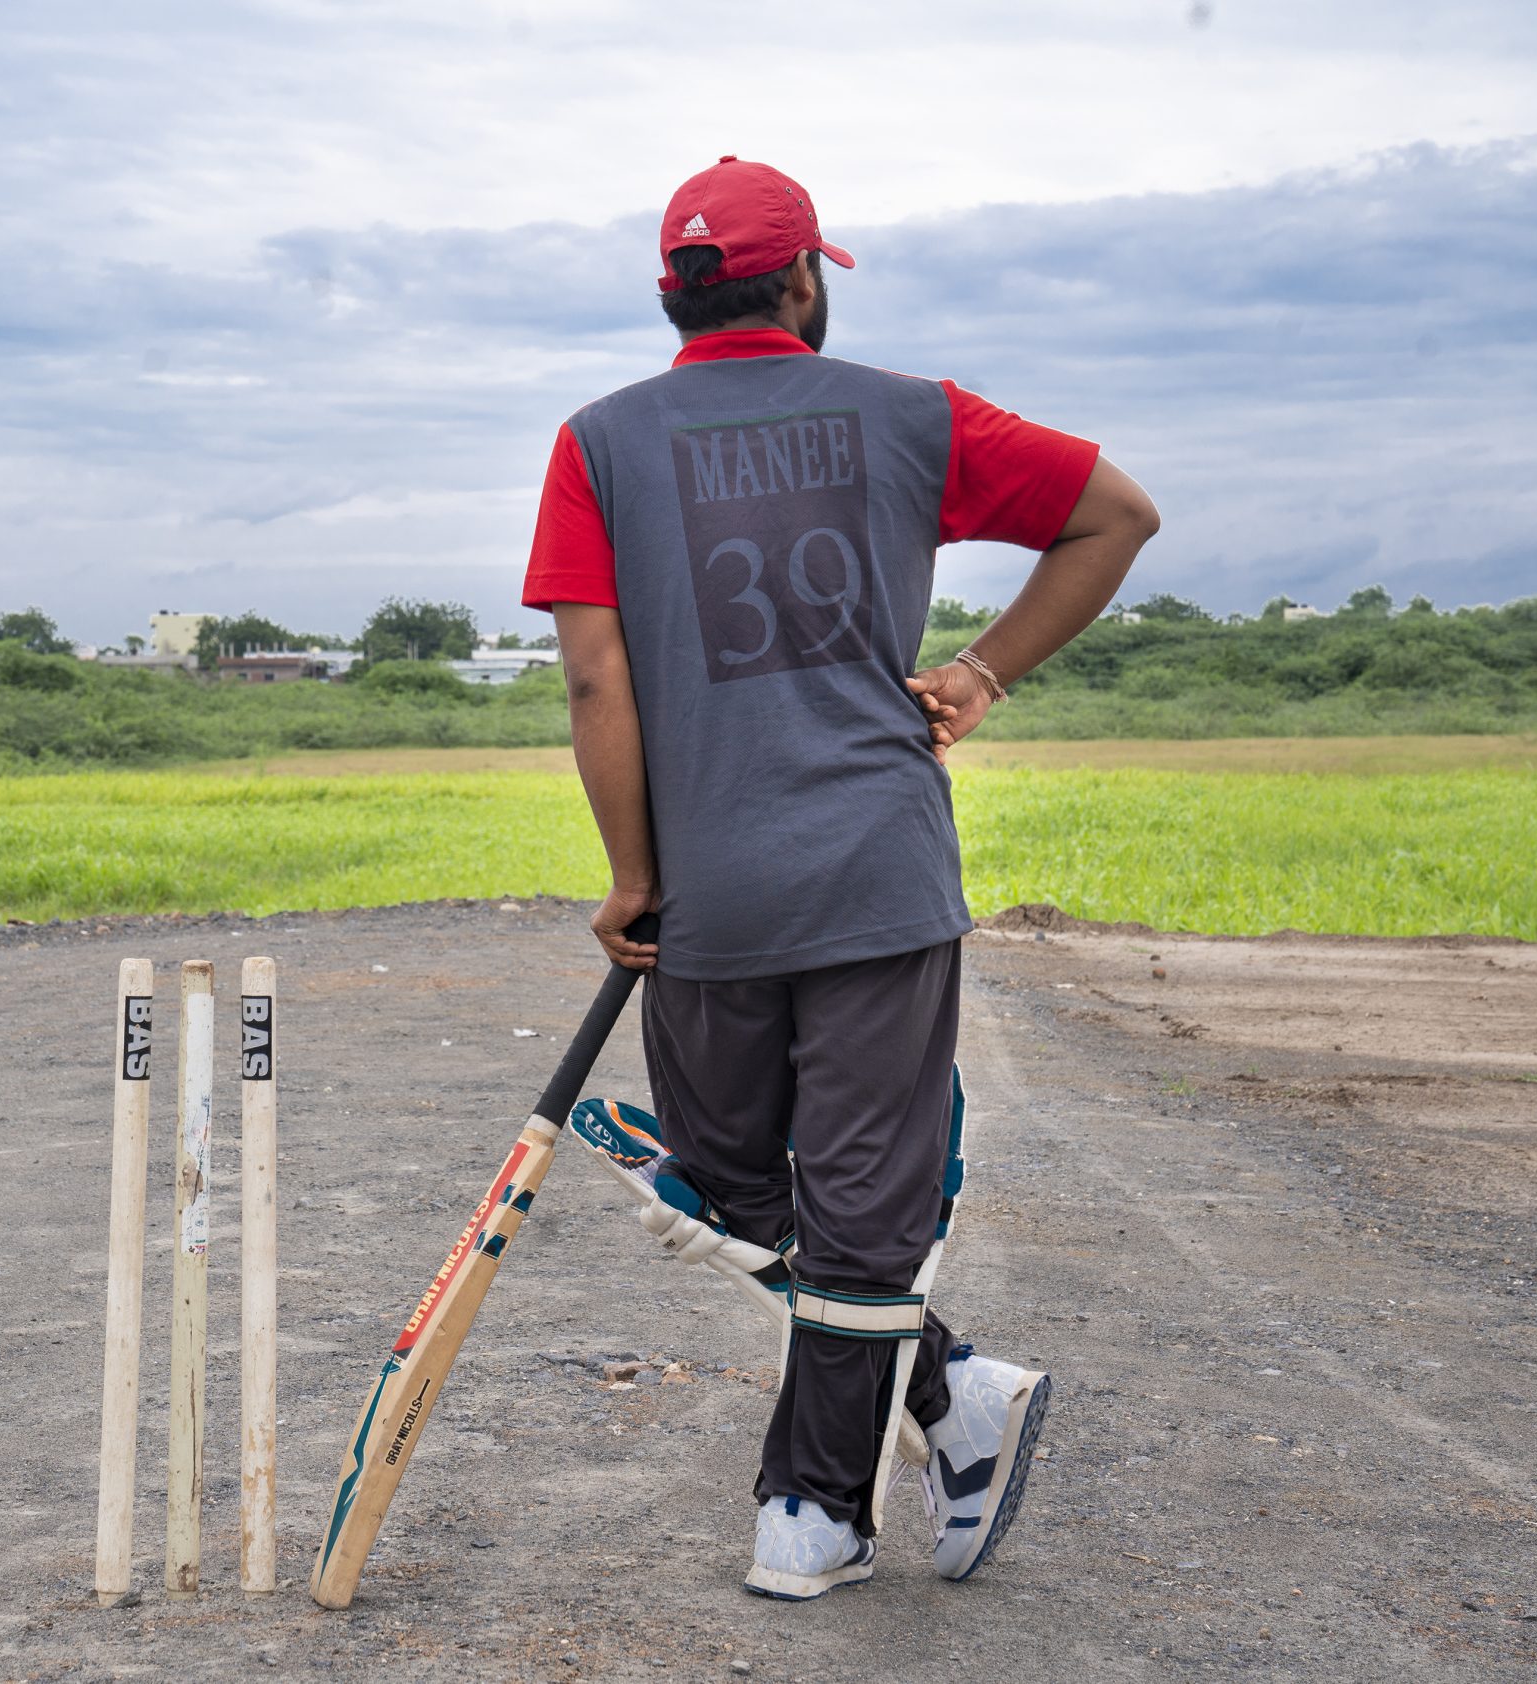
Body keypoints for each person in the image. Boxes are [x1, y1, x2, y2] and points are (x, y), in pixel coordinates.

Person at [522, 155, 1159, 1600]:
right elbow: (1118, 514)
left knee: (779, 1190)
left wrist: (632, 873)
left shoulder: (598, 440)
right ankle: (951, 1390)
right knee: (759, 1190)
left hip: (732, 886)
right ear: (802, 281)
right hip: (862, 870)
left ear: (671, 295)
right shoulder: (910, 415)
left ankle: (813, 1511)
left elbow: (592, 676)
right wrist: (988, 673)